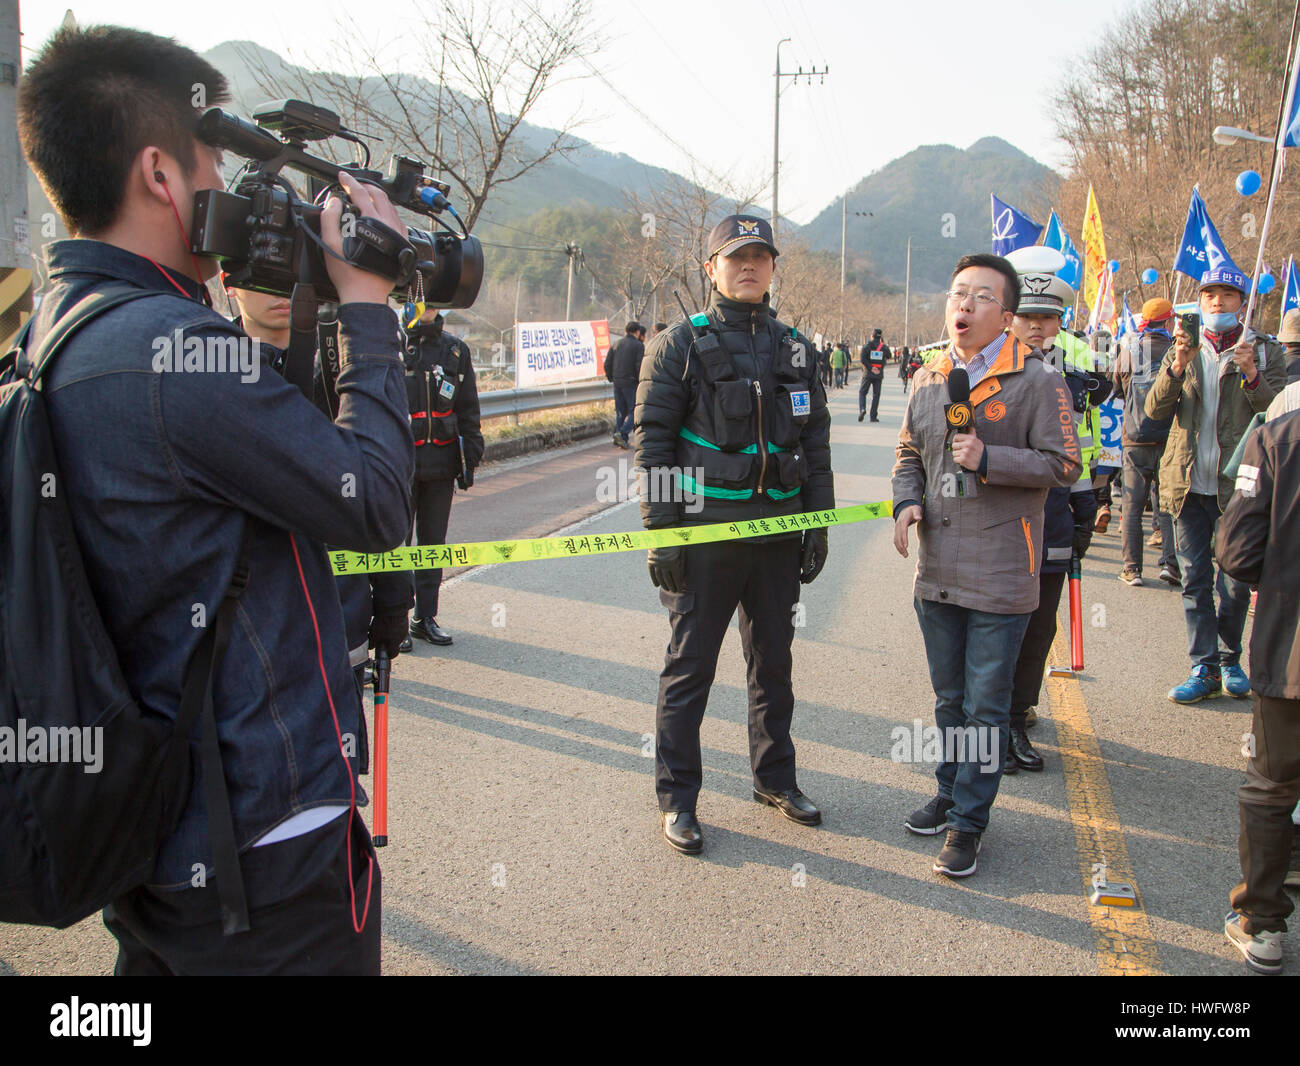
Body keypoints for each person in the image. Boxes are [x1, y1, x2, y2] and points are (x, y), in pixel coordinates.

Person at [16, 25, 413, 973]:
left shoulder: (61, 329)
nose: (229, 196)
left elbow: (211, 496)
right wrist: (366, 302)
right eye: (214, 168)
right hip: (269, 850)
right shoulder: (167, 353)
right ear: (160, 173)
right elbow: (376, 503)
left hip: (159, 831)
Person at [635, 213, 834, 856]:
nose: (748, 265)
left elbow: (817, 444)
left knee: (773, 664)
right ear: (711, 268)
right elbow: (654, 444)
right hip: (705, 534)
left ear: (774, 267)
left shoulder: (799, 347)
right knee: (690, 668)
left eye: (760, 255)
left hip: (777, 535)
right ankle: (678, 799)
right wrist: (662, 533)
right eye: (734, 256)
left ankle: (774, 779)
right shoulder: (678, 344)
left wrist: (816, 523)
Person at [893, 253, 1080, 878]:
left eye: (979, 297)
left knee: (985, 707)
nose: (963, 306)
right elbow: (909, 454)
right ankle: (949, 791)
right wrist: (906, 501)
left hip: (1002, 572)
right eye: (956, 295)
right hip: (938, 568)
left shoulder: (1037, 381)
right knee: (949, 700)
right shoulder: (928, 377)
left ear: (1005, 314)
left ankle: (970, 823)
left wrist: (989, 458)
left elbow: (1063, 467)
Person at [227, 283, 413, 688]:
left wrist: (394, 596)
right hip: (236, 637)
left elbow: (381, 489)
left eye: (291, 272)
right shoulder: (202, 369)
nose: (280, 290)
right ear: (231, 281)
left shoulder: (342, 372)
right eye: (263, 275)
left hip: (336, 622)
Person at [1145, 267, 1285, 703]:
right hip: (1186, 484)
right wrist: (1176, 368)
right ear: (1199, 302)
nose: (1218, 303)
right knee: (1195, 580)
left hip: (1239, 488)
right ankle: (1202, 665)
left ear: (1242, 302)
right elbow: (1153, 410)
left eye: (1227, 296)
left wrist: (1253, 377)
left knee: (1236, 581)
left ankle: (1230, 659)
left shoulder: (1262, 351)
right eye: (1210, 296)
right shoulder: (1182, 347)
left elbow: (1279, 415)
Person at [1002, 259, 1096, 773]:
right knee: (1001, 622)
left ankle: (1018, 713)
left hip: (1056, 513)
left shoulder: (1075, 377)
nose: (1035, 326)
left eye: (1046, 317)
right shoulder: (989, 369)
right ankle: (993, 720)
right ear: (1011, 318)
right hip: (1005, 516)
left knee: (1039, 624)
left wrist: (1086, 504)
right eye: (1027, 316)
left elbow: (1079, 445)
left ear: (1059, 321)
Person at [1217, 405, 1300, 973]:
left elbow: (1237, 553)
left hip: (1293, 651)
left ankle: (1264, 924)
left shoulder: (1278, 439)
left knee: (1272, 785)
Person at [404, 308, 484, 647]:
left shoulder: (456, 350)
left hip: (441, 464)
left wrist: (472, 456)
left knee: (432, 545)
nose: (427, 303)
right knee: (393, 545)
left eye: (434, 298)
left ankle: (425, 617)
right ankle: (391, 617)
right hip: (397, 465)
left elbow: (468, 408)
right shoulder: (391, 345)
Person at [1113, 299, 1179, 587]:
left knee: (1132, 507)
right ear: (1167, 323)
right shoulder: (1178, 354)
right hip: (1171, 441)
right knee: (1167, 505)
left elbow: (1115, 390)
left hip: (1135, 440)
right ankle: (1171, 564)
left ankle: (1131, 568)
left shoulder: (1128, 353)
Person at [604, 321, 644, 448]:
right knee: (634, 411)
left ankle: (621, 437)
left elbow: (607, 363)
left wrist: (612, 377)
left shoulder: (616, 344)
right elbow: (639, 366)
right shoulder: (638, 346)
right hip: (631, 382)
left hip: (617, 381)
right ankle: (622, 433)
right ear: (637, 332)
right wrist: (640, 381)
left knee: (620, 411)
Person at [859, 327, 889, 422]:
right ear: (880, 337)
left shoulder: (867, 346)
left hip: (867, 373)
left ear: (872, 336)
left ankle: (862, 409)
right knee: (876, 395)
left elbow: (862, 359)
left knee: (862, 392)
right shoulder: (883, 347)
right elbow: (889, 355)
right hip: (878, 374)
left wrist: (871, 368)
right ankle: (873, 416)